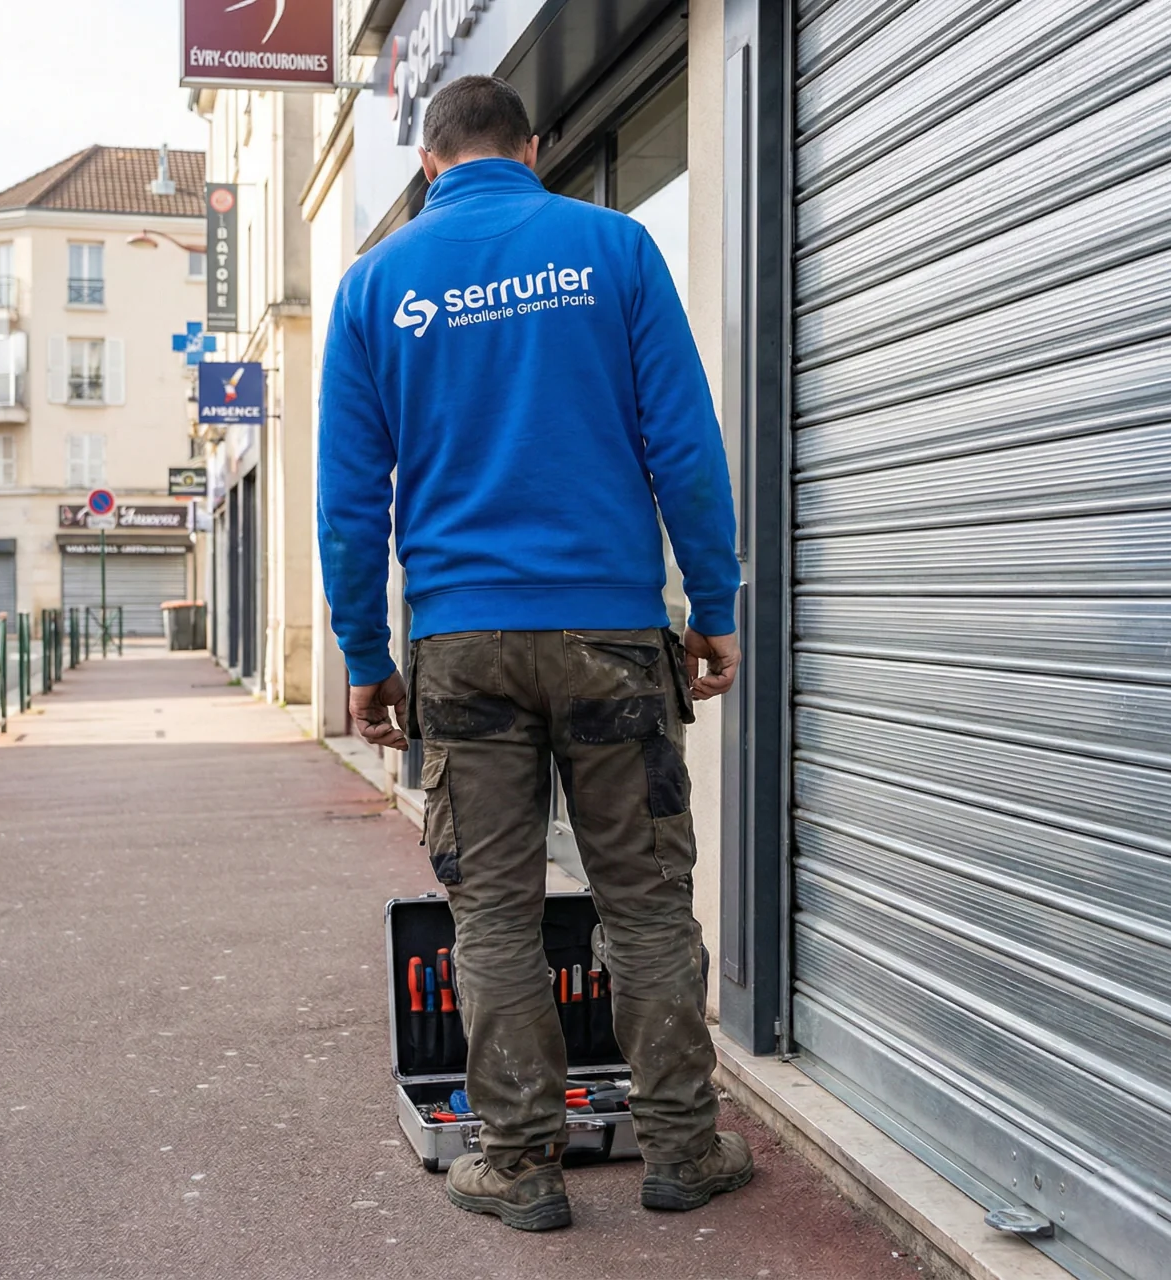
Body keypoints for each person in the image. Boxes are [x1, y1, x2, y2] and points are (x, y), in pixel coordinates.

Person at [318, 74, 749, 1231]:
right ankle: (681, 1148)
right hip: (611, 633)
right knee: (647, 902)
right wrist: (714, 599)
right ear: (535, 147)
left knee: (494, 916)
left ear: (425, 164)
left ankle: (518, 1161)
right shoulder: (609, 247)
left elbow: (350, 503)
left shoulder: (373, 286)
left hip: (459, 645)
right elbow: (685, 443)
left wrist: (366, 653)